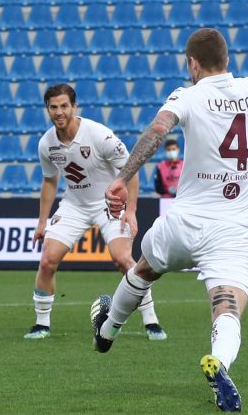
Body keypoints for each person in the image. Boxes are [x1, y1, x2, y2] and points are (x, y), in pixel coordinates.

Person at [91, 30, 248, 412]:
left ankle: (109, 328)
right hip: (232, 228)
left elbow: (157, 131)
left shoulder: (188, 95)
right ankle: (221, 365)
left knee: (146, 269)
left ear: (193, 63)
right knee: (227, 305)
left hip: (183, 224)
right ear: (226, 59)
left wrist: (121, 177)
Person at [25, 85, 166, 341]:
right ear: (47, 109)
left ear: (74, 107)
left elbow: (131, 171)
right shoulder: (46, 144)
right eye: (53, 107)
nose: (59, 112)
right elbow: (49, 181)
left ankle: (150, 318)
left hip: (109, 203)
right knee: (47, 260)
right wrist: (42, 222)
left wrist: (131, 211)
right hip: (74, 205)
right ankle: (41, 323)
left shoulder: (99, 135)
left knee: (123, 259)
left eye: (64, 106)